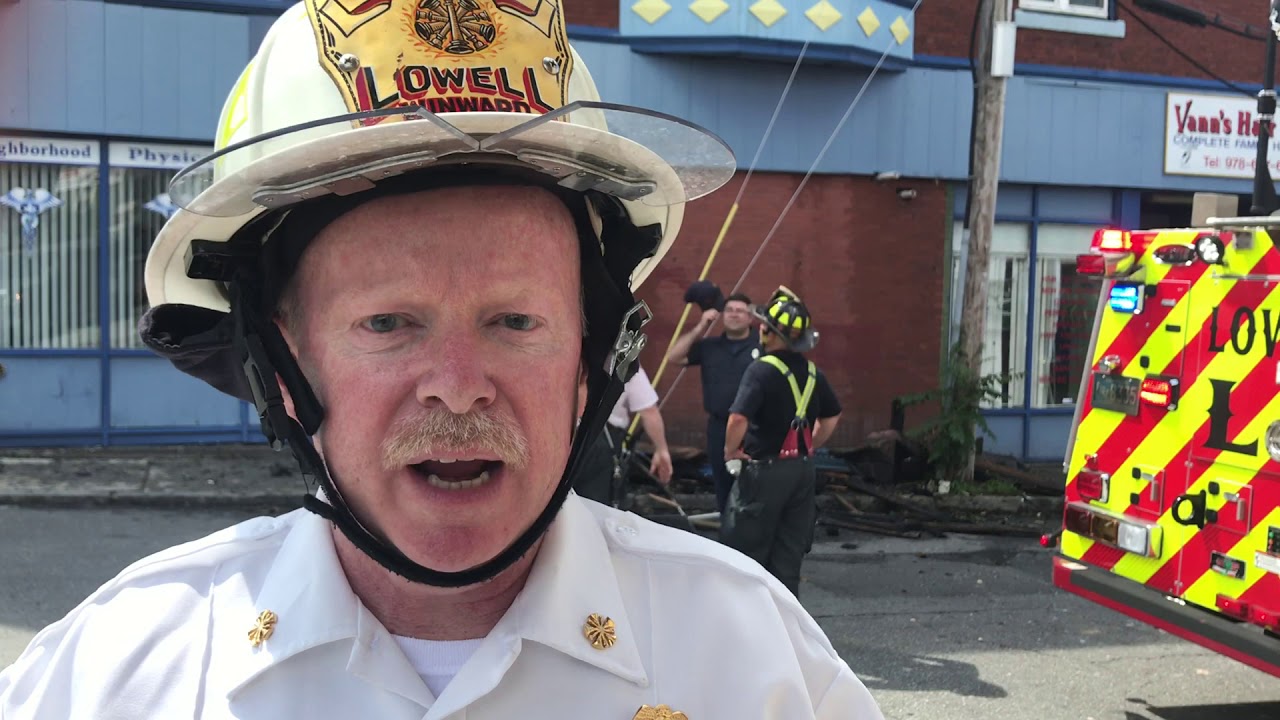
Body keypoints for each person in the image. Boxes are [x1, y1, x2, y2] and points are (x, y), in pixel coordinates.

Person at [0, 2, 883, 718]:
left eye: (515, 320)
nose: (460, 387)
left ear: (591, 354)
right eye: (388, 323)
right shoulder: (115, 678)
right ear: (282, 362)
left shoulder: (755, 662)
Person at [720, 287, 842, 597]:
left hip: (764, 472)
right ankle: (786, 632)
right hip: (801, 471)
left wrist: (731, 450)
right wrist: (810, 444)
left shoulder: (760, 371)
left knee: (745, 555)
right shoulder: (814, 374)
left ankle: (744, 627)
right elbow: (831, 417)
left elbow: (737, 419)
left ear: (767, 331)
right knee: (788, 558)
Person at [666, 289, 759, 514]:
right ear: (721, 315)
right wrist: (700, 327)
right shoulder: (710, 346)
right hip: (719, 427)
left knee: (756, 486)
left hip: (755, 428)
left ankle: (754, 539)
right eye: (729, 310)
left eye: (740, 311)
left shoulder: (762, 346)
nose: (734, 315)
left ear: (750, 318)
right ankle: (728, 537)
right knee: (723, 484)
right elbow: (673, 357)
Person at [575, 364, 674, 506]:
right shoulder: (626, 364)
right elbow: (649, 411)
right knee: (598, 507)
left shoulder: (572, 357)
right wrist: (662, 449)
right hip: (602, 445)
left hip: (567, 436)